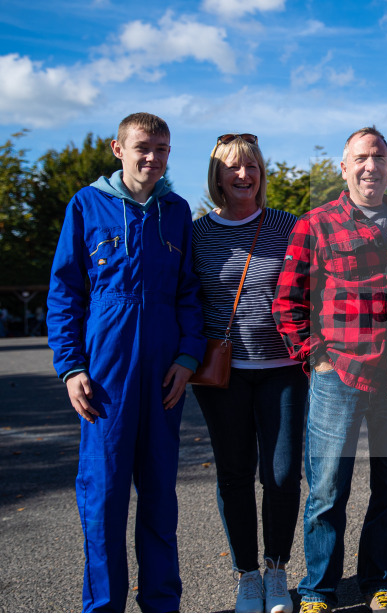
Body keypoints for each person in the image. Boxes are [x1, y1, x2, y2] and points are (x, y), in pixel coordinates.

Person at [46, 112, 205, 612]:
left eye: (162, 148)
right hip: (105, 376)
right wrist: (71, 368)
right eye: (142, 147)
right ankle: (104, 606)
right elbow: (65, 292)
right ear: (119, 149)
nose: (152, 157)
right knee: (105, 497)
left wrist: (187, 355)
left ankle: (161, 604)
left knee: (159, 497)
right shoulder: (86, 205)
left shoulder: (177, 211)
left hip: (163, 374)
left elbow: (189, 293)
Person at [273, 126, 387, 613]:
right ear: (344, 166)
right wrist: (315, 357)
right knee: (328, 487)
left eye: (378, 156)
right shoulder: (315, 223)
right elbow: (287, 301)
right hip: (339, 375)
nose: (370, 165)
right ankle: (318, 589)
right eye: (360, 157)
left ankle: (378, 579)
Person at [192, 133, 306, 613]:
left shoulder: (287, 225)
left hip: (283, 370)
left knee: (281, 475)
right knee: (234, 474)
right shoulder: (197, 232)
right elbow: (186, 299)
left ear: (262, 173)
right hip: (225, 375)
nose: (243, 175)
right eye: (233, 167)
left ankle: (278, 570)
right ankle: (248, 575)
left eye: (252, 166)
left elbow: (313, 287)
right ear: (217, 176)